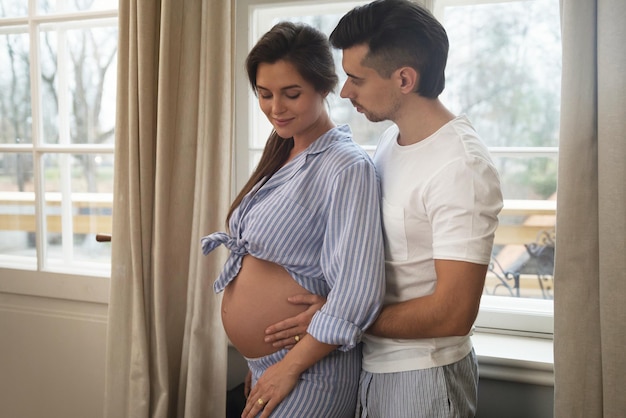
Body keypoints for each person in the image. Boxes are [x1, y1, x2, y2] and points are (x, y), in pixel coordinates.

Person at [264, 1, 504, 416]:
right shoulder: (390, 143)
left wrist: (340, 318)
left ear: (405, 79)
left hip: (422, 376)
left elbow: (454, 313)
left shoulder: (461, 166)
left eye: (356, 78)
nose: (344, 91)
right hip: (372, 368)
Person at [200, 21, 385, 418]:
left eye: (291, 94)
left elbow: (359, 287)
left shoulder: (346, 168)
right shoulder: (282, 151)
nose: (275, 108)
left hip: (309, 371)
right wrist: (259, 362)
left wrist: (287, 366)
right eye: (264, 95)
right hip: (271, 366)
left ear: (324, 86)